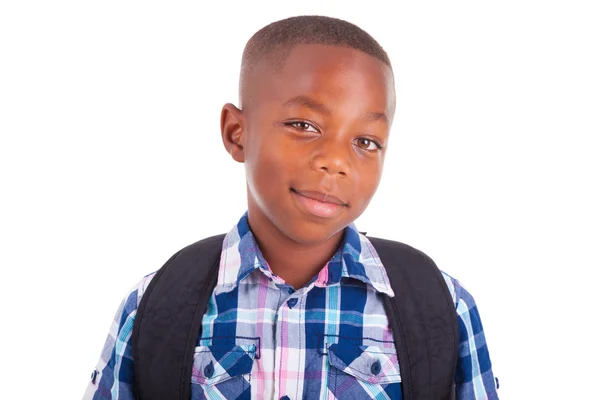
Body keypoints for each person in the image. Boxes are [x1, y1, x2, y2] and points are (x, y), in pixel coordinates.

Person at [83, 15, 499, 400]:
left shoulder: (438, 305)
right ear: (236, 132)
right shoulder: (156, 304)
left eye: (366, 141)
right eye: (304, 126)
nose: (335, 161)